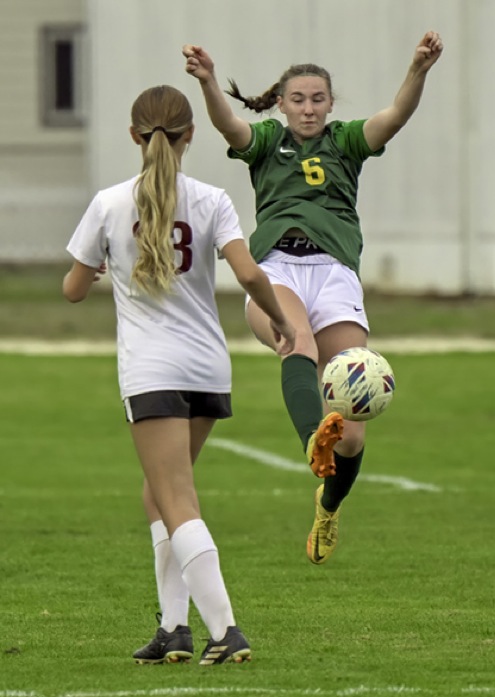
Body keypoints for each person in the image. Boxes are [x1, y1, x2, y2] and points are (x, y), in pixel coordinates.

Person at [182, 31, 443, 565]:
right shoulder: (266, 142)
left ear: (330, 104)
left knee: (352, 433)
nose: (307, 108)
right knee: (296, 339)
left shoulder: (344, 141)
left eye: (317, 99)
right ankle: (311, 440)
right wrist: (208, 81)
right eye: (298, 99)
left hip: (335, 274)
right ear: (281, 103)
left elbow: (395, 116)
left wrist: (418, 70)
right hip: (277, 268)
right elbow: (229, 126)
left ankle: (328, 505)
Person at [62, 84, 295, 665]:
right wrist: (280, 319)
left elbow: (72, 290)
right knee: (158, 493)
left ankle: (226, 629)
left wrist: (98, 268)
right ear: (190, 135)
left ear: (134, 136)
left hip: (153, 369)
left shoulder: (110, 202)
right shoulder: (213, 199)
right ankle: (173, 629)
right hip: (208, 366)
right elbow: (249, 274)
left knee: (176, 496)